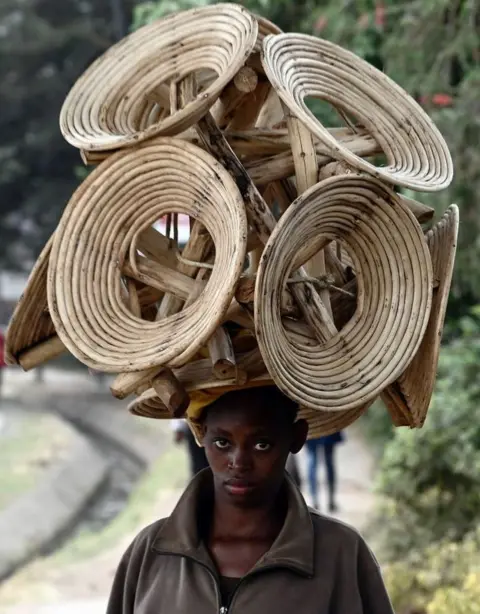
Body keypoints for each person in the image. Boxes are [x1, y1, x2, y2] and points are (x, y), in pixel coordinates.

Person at [106, 385, 394, 613]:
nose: (239, 462)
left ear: (296, 437)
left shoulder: (340, 553)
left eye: (261, 444)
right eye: (222, 443)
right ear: (201, 434)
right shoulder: (151, 552)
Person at [305, 431, 344, 512]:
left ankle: (314, 500)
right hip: (328, 426)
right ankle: (331, 501)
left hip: (311, 425)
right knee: (329, 461)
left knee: (312, 460)